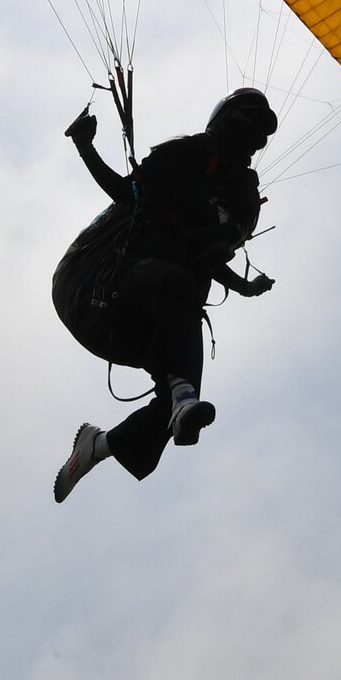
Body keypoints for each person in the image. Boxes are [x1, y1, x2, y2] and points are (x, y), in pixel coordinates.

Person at [51, 87, 277, 502]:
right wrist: (85, 146)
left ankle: (97, 448)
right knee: (180, 289)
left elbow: (205, 253)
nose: (254, 138)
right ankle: (180, 396)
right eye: (249, 122)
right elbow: (126, 193)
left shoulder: (242, 191)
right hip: (91, 286)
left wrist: (243, 285)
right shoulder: (187, 155)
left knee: (179, 408)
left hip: (141, 319)